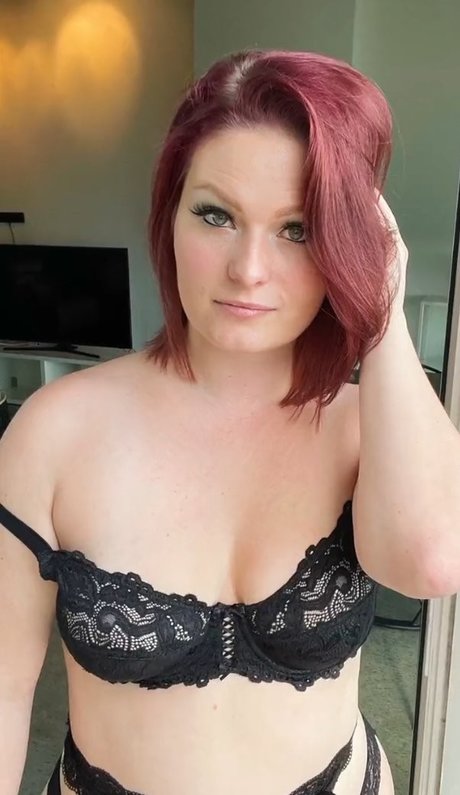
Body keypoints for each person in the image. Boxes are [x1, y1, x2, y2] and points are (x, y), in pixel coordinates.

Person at [1, 48, 460, 795]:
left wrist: (382, 314)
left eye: (298, 229)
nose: (248, 269)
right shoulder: (55, 432)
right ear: (170, 216)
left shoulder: (366, 428)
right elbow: (4, 688)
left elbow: (433, 564)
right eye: (216, 215)